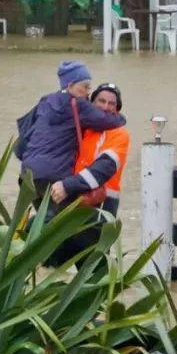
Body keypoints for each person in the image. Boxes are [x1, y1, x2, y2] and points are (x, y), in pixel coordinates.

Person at [15, 61, 127, 215]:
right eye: (86, 87)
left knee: (45, 229)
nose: (87, 92)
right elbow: (108, 120)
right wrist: (120, 117)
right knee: (60, 228)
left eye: (112, 104)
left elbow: (22, 139)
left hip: (28, 177)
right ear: (70, 86)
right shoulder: (80, 107)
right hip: (57, 181)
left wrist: (33, 161)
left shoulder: (46, 101)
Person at [44, 83, 131, 267]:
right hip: (69, 202)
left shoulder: (119, 134)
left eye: (111, 104)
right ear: (91, 103)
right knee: (43, 251)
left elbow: (104, 168)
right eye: (101, 101)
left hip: (99, 207)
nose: (106, 107)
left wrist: (67, 186)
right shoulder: (81, 128)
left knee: (92, 264)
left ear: (117, 108)